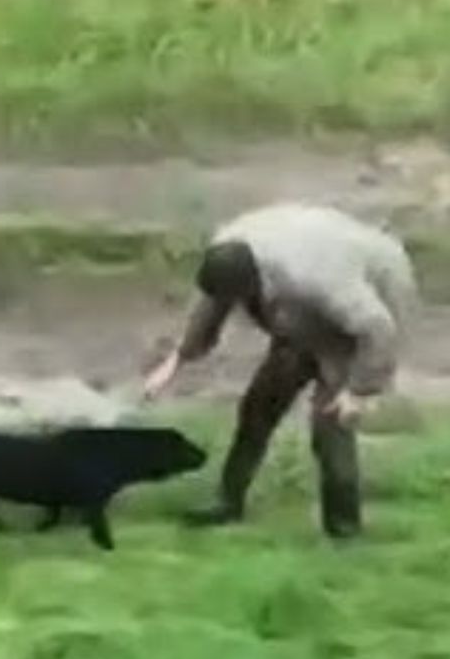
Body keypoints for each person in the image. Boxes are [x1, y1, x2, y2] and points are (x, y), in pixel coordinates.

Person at [141, 202, 417, 538]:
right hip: (299, 314)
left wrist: (359, 391)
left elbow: (377, 328)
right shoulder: (227, 252)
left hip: (369, 297)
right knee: (258, 407)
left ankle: (344, 531)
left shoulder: (318, 281)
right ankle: (227, 503)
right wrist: (178, 359)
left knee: (330, 423)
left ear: (255, 284)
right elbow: (211, 305)